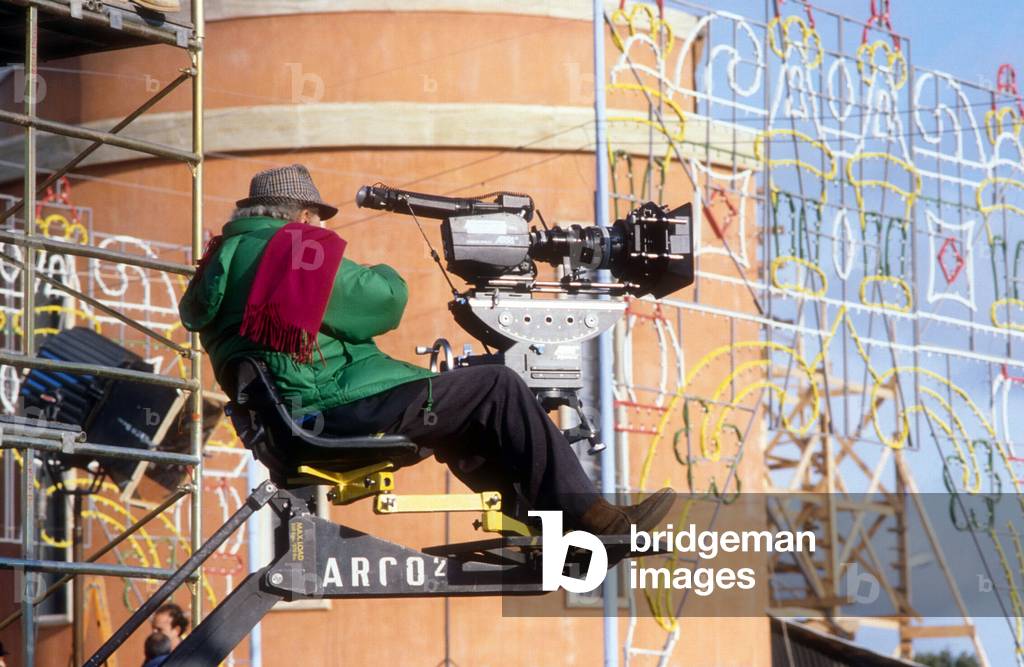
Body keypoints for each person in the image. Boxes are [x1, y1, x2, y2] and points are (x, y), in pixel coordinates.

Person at [178, 164, 673, 535]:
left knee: (460, 412)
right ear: (303, 216)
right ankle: (592, 515)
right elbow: (381, 303)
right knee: (497, 386)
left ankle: (549, 524)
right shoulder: (292, 251)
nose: (322, 232)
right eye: (318, 222)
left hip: (289, 426)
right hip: (331, 409)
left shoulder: (218, 263)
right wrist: (389, 273)